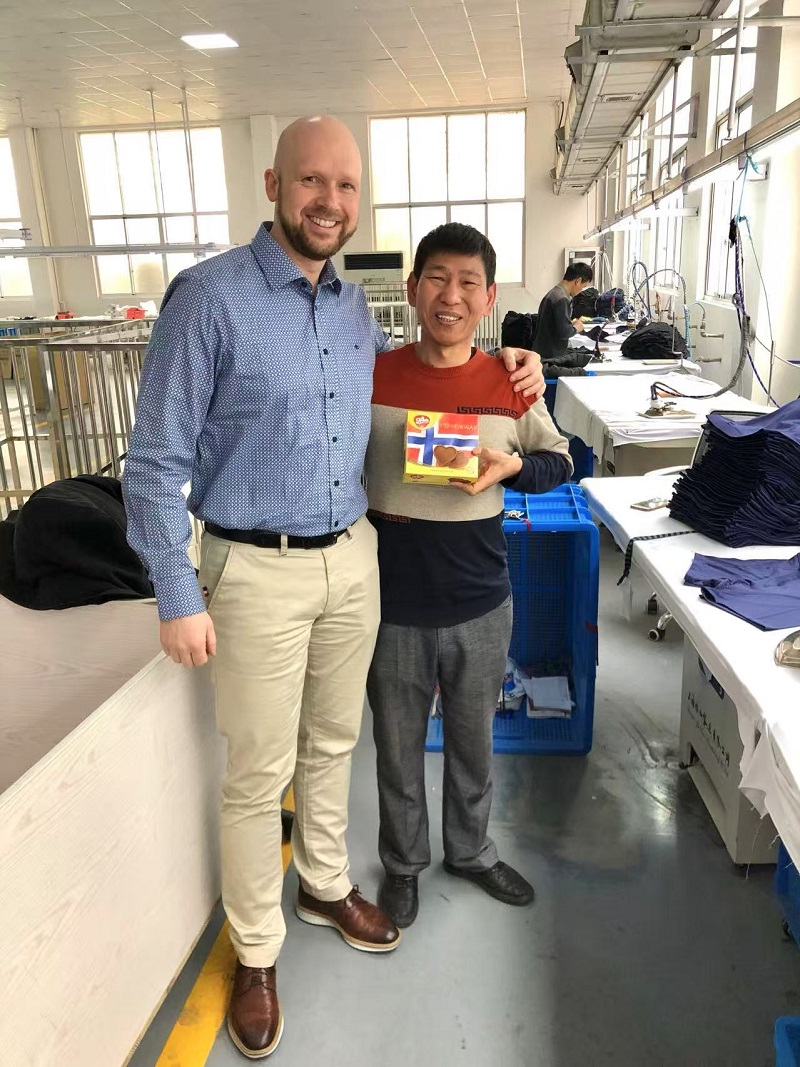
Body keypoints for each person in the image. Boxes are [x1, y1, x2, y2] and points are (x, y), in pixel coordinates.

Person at [121, 116, 545, 1060]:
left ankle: (323, 882)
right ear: (275, 184)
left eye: (346, 186)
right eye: (313, 181)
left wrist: (524, 365)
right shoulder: (209, 299)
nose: (330, 201)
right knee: (257, 771)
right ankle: (257, 951)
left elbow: (432, 387)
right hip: (253, 565)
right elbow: (152, 463)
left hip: (354, 559)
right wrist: (176, 589)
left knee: (333, 742)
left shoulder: (355, 313)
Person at [365, 222, 573, 930]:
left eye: (468, 283)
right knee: (397, 749)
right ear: (412, 288)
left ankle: (472, 851)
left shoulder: (510, 384)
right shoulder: (372, 376)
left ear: (487, 300)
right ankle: (402, 864)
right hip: (391, 603)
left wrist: (513, 468)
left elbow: (559, 460)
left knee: (473, 744)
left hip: (481, 601)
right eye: (436, 278)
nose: (450, 296)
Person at [533, 262, 595, 365]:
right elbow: (565, 333)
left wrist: (569, 323)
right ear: (578, 281)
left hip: (543, 350)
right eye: (583, 286)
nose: (581, 291)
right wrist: (577, 327)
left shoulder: (554, 293)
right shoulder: (561, 299)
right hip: (551, 356)